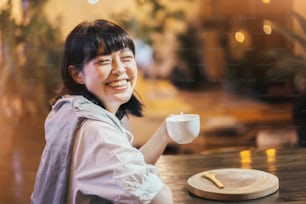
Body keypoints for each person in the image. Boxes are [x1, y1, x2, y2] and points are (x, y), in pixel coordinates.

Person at [31, 19, 173, 204]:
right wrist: (163, 189)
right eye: (104, 61)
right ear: (77, 74)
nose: (120, 69)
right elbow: (159, 200)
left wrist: (164, 132)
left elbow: (123, 167)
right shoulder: (96, 132)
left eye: (126, 58)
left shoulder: (70, 108)